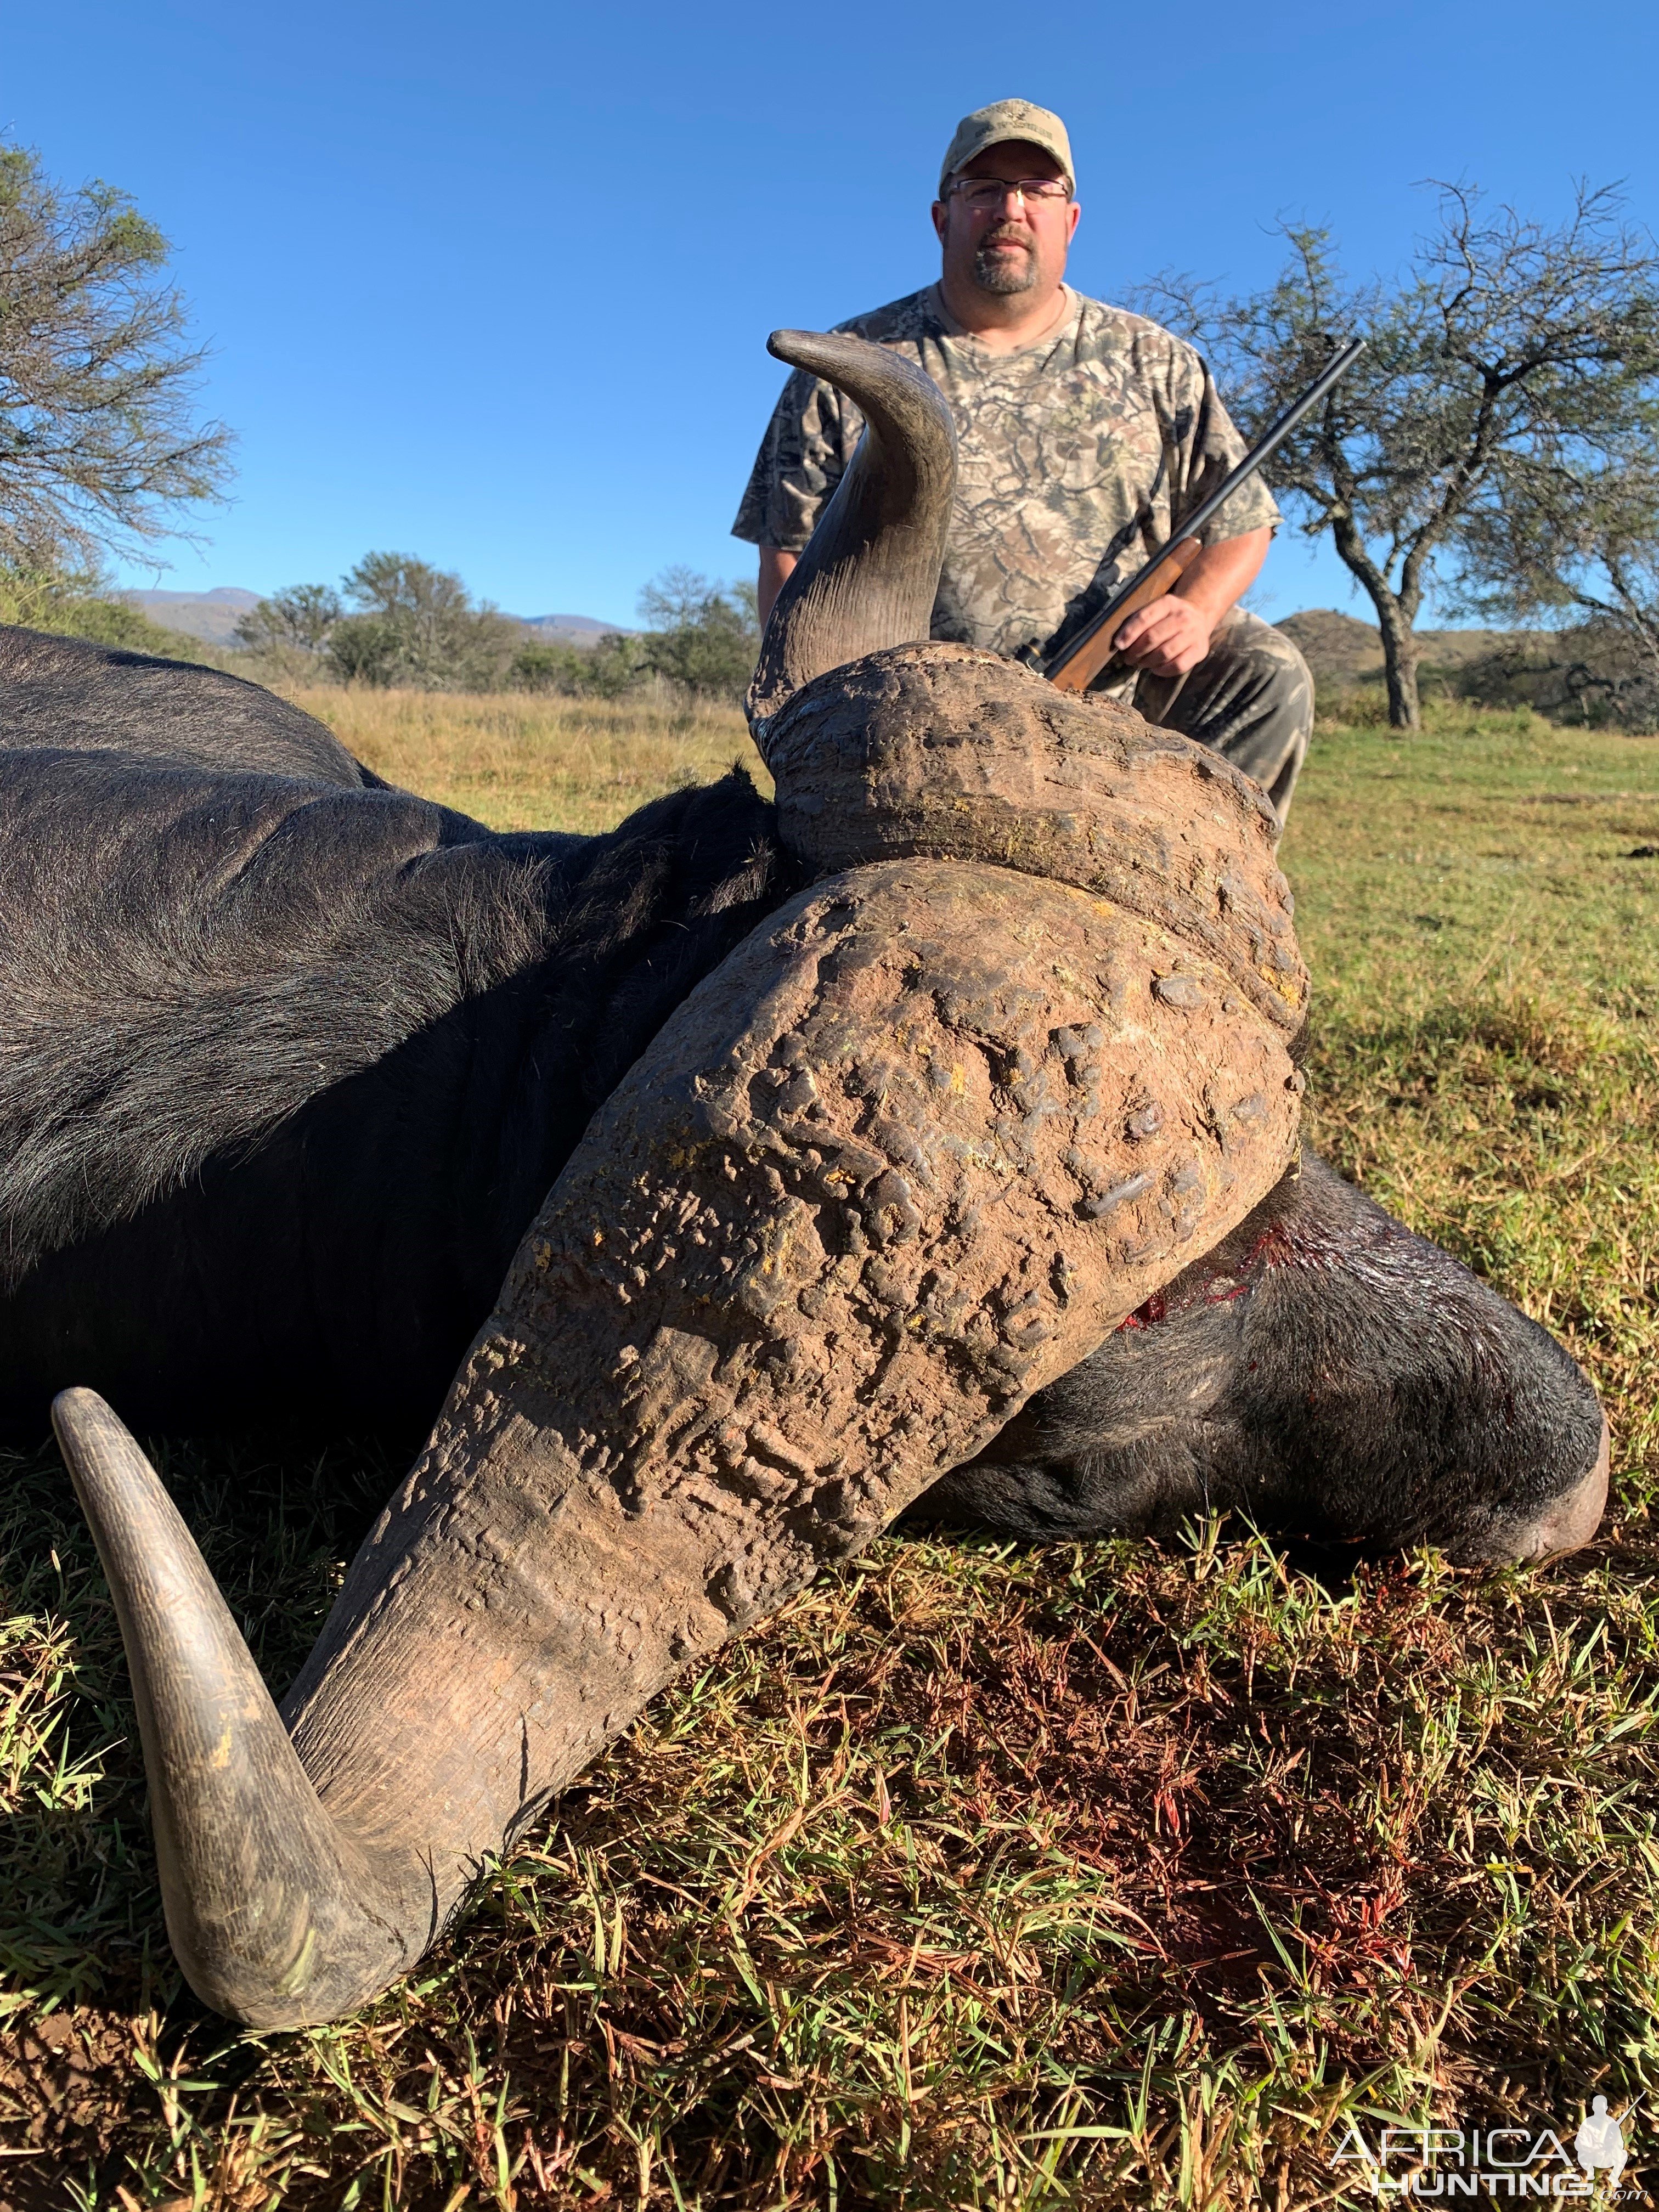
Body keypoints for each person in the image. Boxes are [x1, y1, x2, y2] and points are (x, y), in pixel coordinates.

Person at [733, 98, 1314, 821]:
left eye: (1039, 190)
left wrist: (1194, 611)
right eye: (983, 189)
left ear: (1069, 220)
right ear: (943, 217)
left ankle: (1201, 911)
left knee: (1268, 672)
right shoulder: (851, 361)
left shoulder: (1158, 361)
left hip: (1117, 693)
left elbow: (1241, 525)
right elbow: (786, 556)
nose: (1012, 207)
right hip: (919, 714)